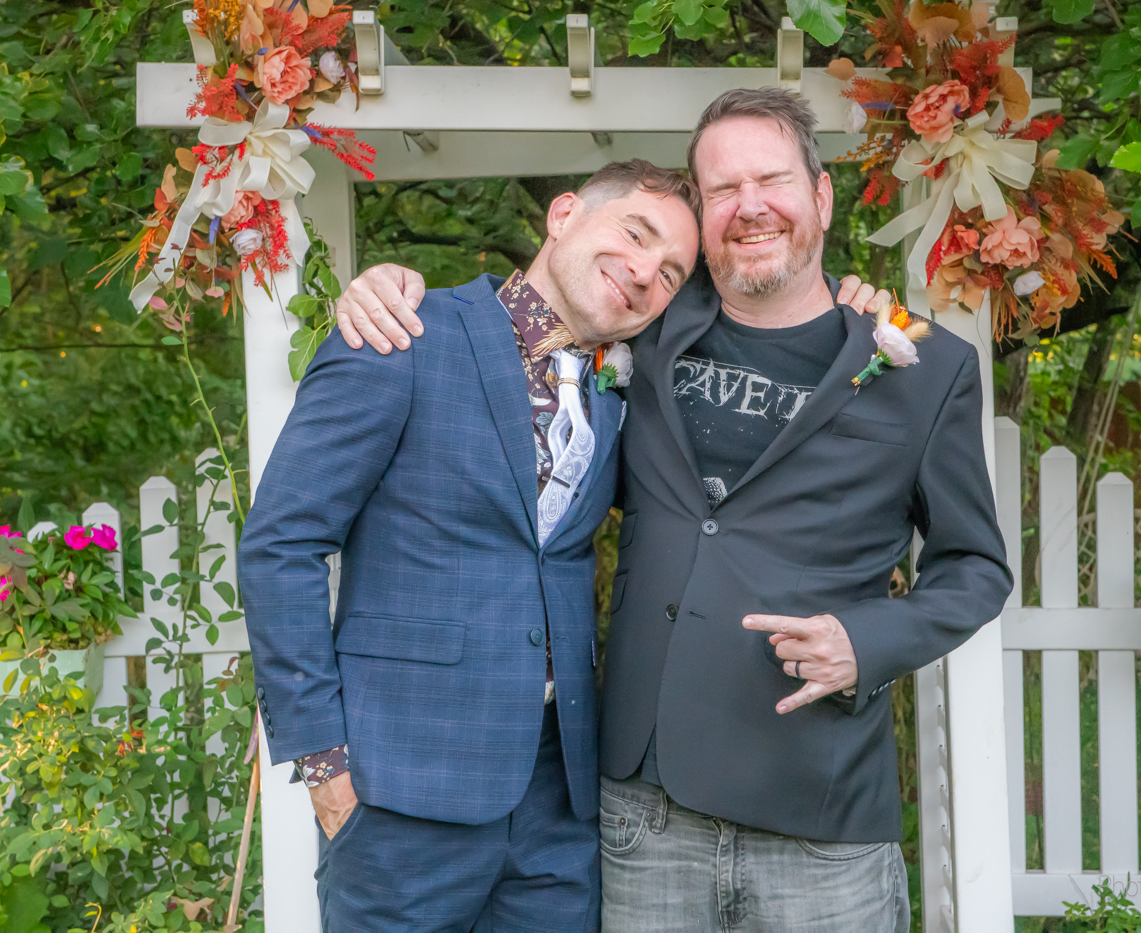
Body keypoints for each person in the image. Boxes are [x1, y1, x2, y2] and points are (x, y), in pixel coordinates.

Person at [335, 88, 1012, 932]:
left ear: (821, 195)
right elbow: (519, 334)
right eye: (723, 189)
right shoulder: (642, 327)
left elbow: (975, 566)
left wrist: (866, 642)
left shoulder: (923, 367)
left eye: (772, 180)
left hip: (822, 815)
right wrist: (385, 289)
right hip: (643, 821)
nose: (749, 205)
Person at [237, 159, 701, 932]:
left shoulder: (625, 394)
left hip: (558, 809)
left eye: (673, 272)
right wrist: (323, 764)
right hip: (396, 798)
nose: (646, 271)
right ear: (563, 216)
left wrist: (853, 313)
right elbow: (281, 544)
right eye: (635, 232)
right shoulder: (402, 334)